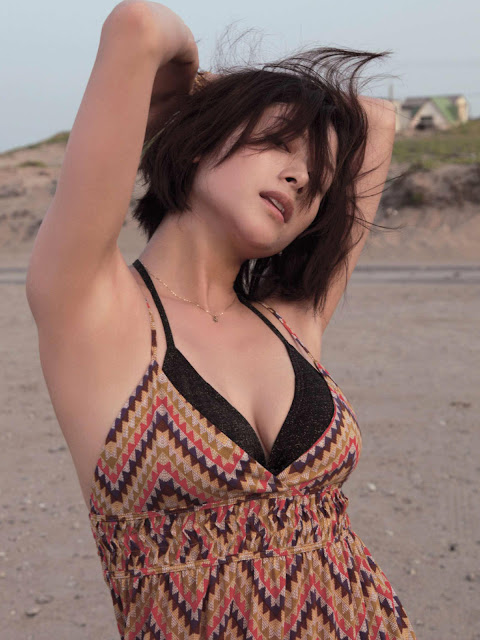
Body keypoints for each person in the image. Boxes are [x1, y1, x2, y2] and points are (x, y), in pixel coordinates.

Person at [25, 1, 417, 638]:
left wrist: (245, 110)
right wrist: (206, 93)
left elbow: (377, 119)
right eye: (279, 144)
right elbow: (138, 26)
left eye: (319, 181)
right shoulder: (92, 309)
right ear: (198, 143)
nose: (300, 176)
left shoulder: (294, 324)